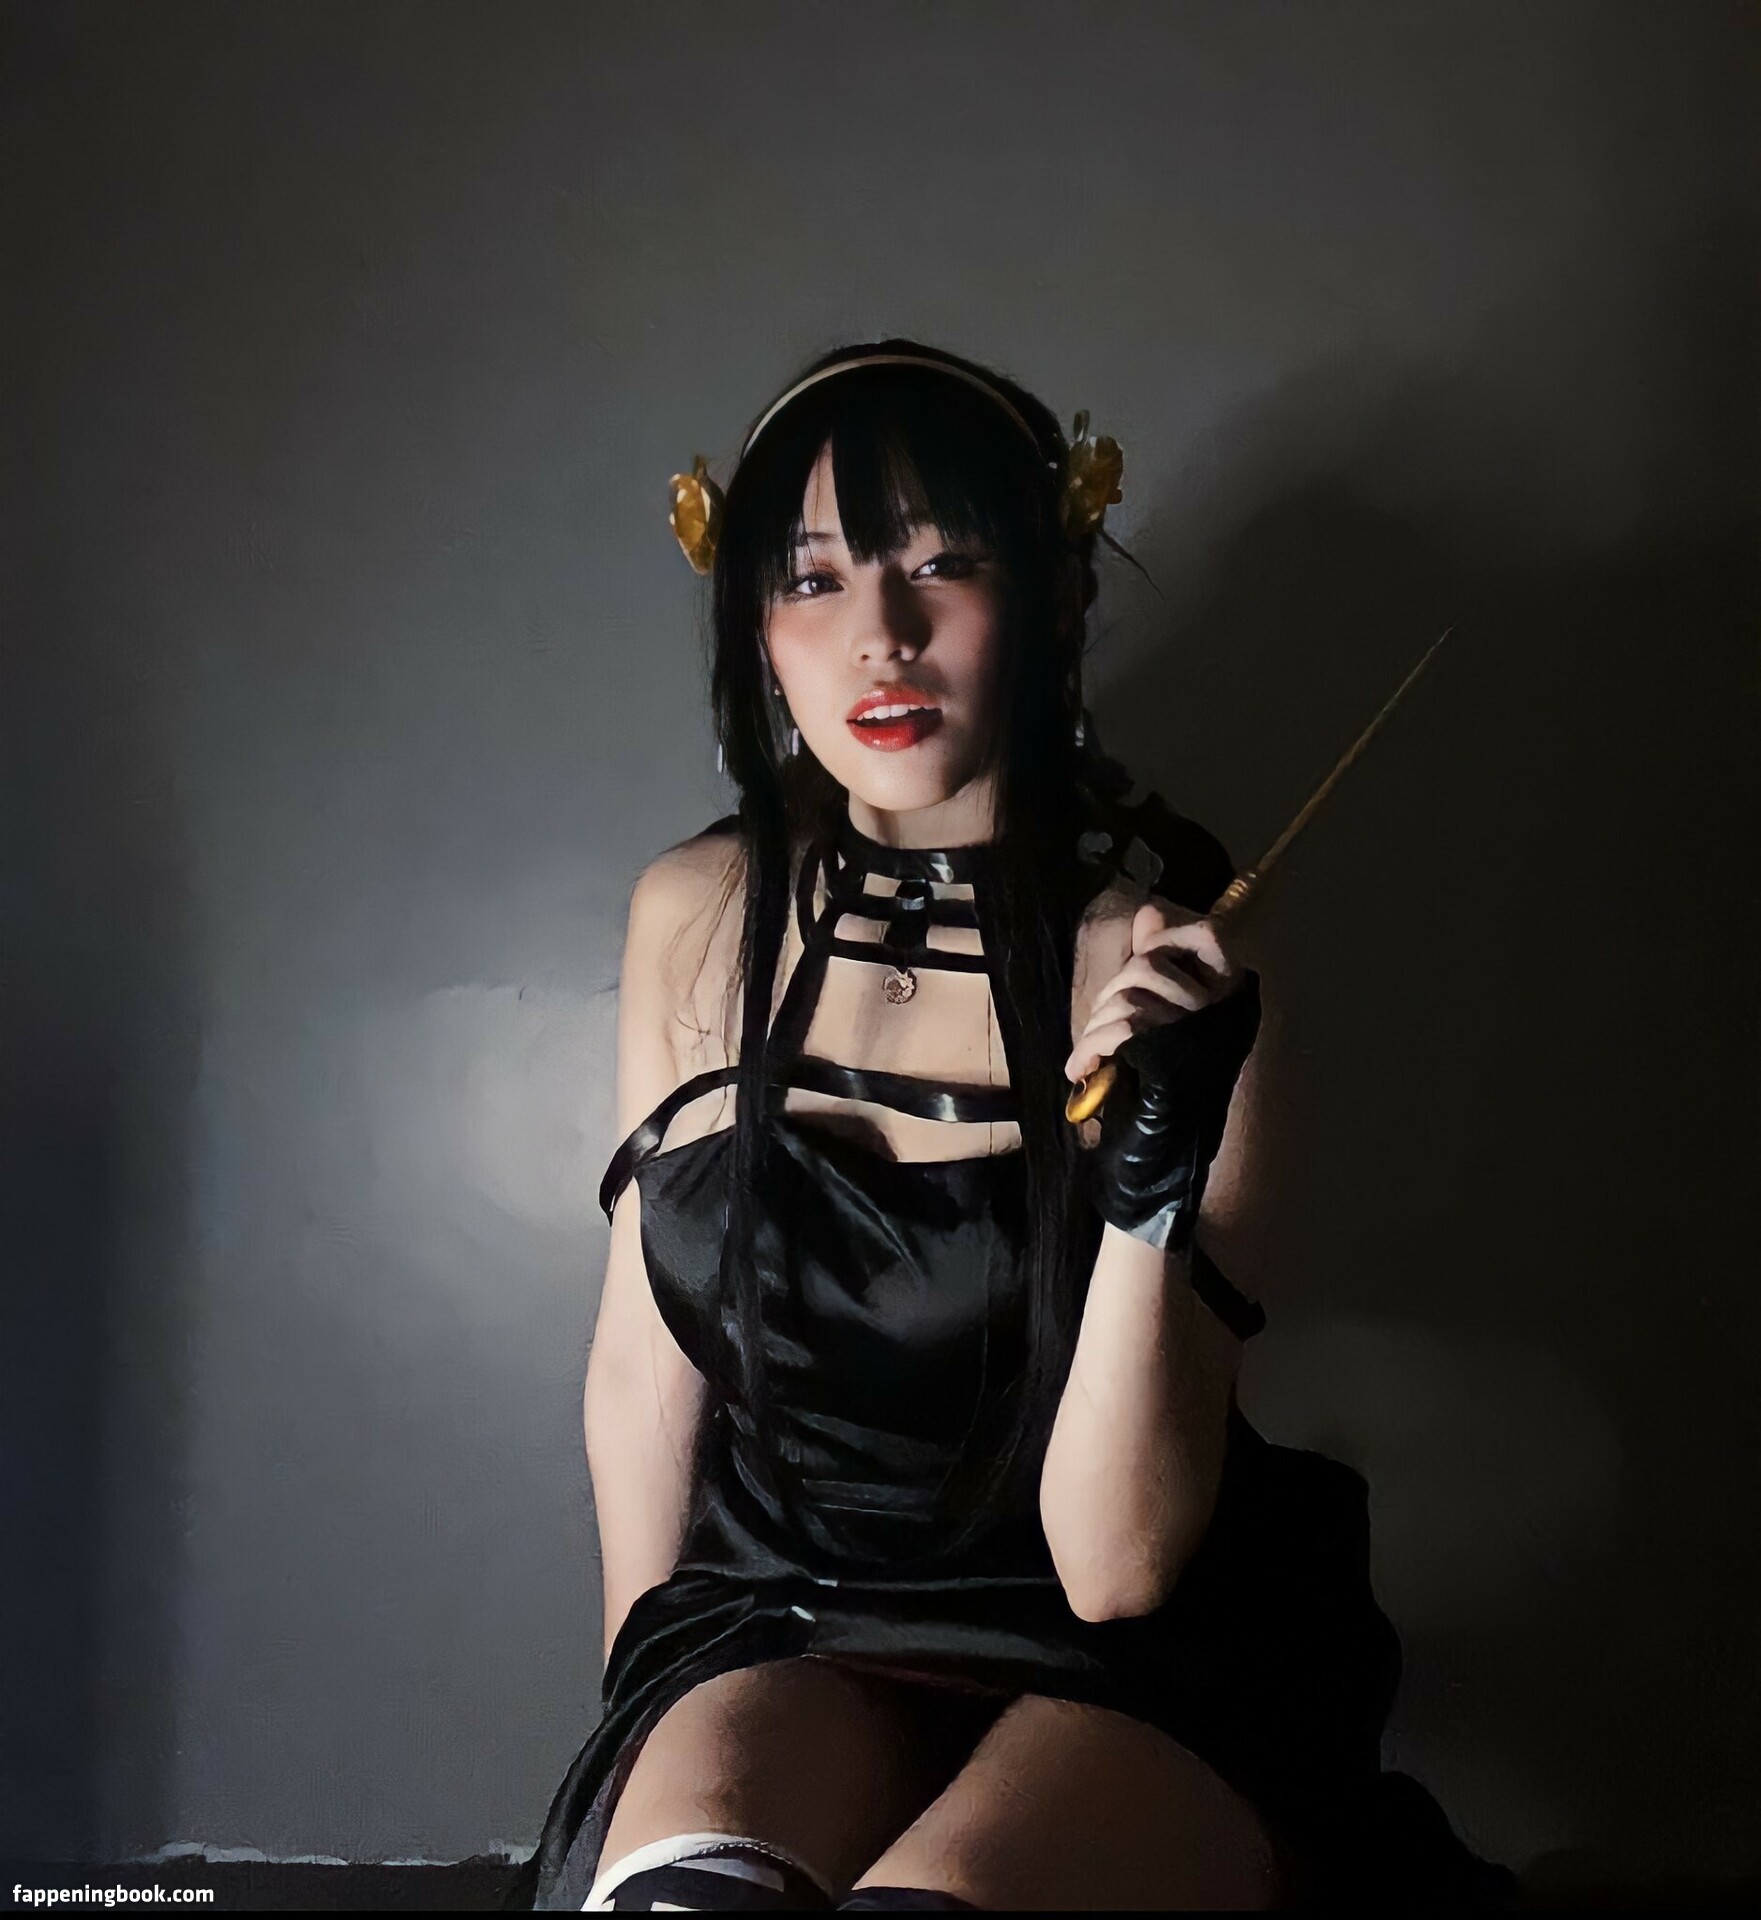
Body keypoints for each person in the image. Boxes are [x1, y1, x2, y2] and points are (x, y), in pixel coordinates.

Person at [515, 341, 1516, 1911]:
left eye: (941, 564)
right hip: (781, 1610)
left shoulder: (1178, 963)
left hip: (1123, 1650)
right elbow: (645, 1368)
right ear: (755, 629)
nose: (881, 634)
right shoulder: (691, 915)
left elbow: (1116, 1570)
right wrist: (645, 1704)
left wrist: (1151, 1170)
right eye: (813, 579)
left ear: (1051, 595)